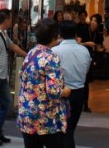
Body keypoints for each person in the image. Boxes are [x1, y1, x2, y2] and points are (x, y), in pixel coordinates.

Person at [18, 18, 71, 148]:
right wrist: (65, 91)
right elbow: (53, 91)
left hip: (27, 113)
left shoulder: (31, 53)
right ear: (54, 36)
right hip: (46, 117)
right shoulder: (50, 57)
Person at [0, 8, 27, 146]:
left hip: (1, 76)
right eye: (11, 18)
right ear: (6, 20)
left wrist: (27, 55)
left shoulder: (3, 34)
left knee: (7, 104)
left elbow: (12, 46)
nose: (12, 21)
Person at [52, 20, 90, 148]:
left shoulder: (55, 51)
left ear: (60, 34)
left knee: (62, 129)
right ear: (75, 33)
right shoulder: (84, 50)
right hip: (79, 91)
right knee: (70, 128)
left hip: (62, 92)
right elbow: (87, 70)